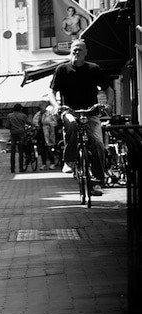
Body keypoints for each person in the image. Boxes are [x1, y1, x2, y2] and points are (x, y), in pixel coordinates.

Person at [49, 39, 114, 196]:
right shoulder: (62, 69)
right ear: (70, 50)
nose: (76, 52)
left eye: (80, 49)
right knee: (71, 124)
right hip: (70, 111)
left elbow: (108, 89)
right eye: (74, 49)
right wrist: (57, 107)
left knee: (98, 143)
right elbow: (52, 92)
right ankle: (70, 160)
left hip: (90, 113)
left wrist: (109, 105)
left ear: (86, 52)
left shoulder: (94, 69)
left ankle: (97, 181)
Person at [32, 101, 57, 170]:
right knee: (42, 149)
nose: (41, 107)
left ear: (45, 107)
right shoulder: (38, 114)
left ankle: (52, 163)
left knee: (50, 149)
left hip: (49, 133)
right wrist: (37, 125)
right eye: (40, 106)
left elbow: (55, 123)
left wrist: (49, 124)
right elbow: (34, 121)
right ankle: (44, 163)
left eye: (42, 106)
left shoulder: (50, 114)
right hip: (40, 134)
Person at [6, 103, 30, 173]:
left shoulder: (9, 116)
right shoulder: (23, 115)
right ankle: (21, 168)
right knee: (21, 151)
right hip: (21, 134)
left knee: (12, 152)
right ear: (20, 109)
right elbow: (29, 123)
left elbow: (7, 126)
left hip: (13, 134)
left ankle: (12, 169)